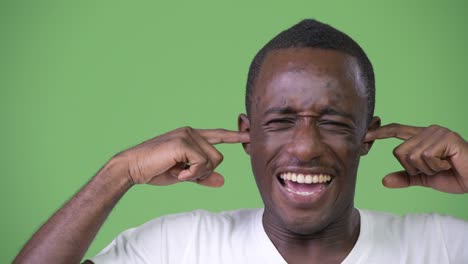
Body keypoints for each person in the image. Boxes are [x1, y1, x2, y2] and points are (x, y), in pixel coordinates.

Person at [14, 19, 468, 264]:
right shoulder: (177, 248)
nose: (306, 146)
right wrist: (120, 172)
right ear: (246, 134)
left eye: (332, 122)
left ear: (367, 136)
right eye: (280, 120)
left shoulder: (442, 247)